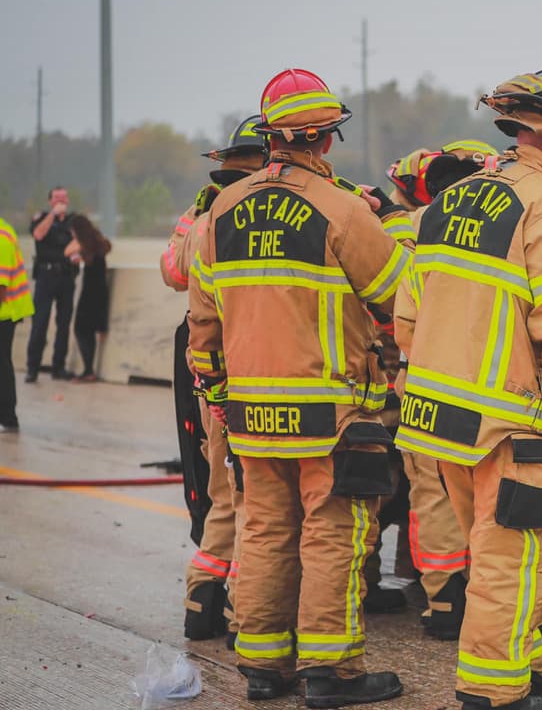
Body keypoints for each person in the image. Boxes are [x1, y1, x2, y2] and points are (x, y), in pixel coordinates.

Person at [395, 68, 542, 710]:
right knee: (508, 558)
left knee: (509, 551)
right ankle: (491, 691)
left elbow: (408, 316)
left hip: (439, 418)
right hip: (511, 425)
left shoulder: (452, 199)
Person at [187, 68, 410, 707]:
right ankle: (329, 672)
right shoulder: (341, 208)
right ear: (324, 140)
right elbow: (401, 296)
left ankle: (261, 667)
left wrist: (221, 393)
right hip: (331, 413)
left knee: (263, 530)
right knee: (333, 533)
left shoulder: (221, 210)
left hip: (251, 411)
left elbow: (204, 325)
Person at [385, 140, 500, 640]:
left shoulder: (419, 228)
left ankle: (445, 602)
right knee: (489, 497)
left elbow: (400, 317)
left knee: (433, 493)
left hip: (428, 380)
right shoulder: (503, 225)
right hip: (491, 386)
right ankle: (482, 597)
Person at [161, 115, 267, 645]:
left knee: (221, 491)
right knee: (254, 500)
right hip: (251, 362)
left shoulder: (202, 211)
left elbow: (172, 272)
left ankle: (202, 598)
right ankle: (243, 615)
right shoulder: (257, 212)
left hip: (206, 367)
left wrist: (191, 219)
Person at [25, 186, 79, 383]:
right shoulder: (42, 218)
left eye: (63, 198)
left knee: (64, 324)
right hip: (46, 276)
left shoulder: (74, 222)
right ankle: (33, 367)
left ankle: (59, 367)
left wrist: (76, 254)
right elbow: (38, 235)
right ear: (50, 201)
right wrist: (52, 216)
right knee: (40, 323)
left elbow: (82, 242)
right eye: (57, 198)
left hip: (66, 276)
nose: (61, 202)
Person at [64, 215, 112, 382]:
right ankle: (88, 370)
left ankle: (88, 370)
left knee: (80, 328)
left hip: (89, 292)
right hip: (100, 290)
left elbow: (67, 251)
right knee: (89, 330)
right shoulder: (97, 240)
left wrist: (77, 240)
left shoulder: (84, 243)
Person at [0, 216, 34, 432]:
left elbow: (0, 286)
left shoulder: (2, 236)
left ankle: (7, 417)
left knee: (2, 365)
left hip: (5, 311)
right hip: (7, 311)